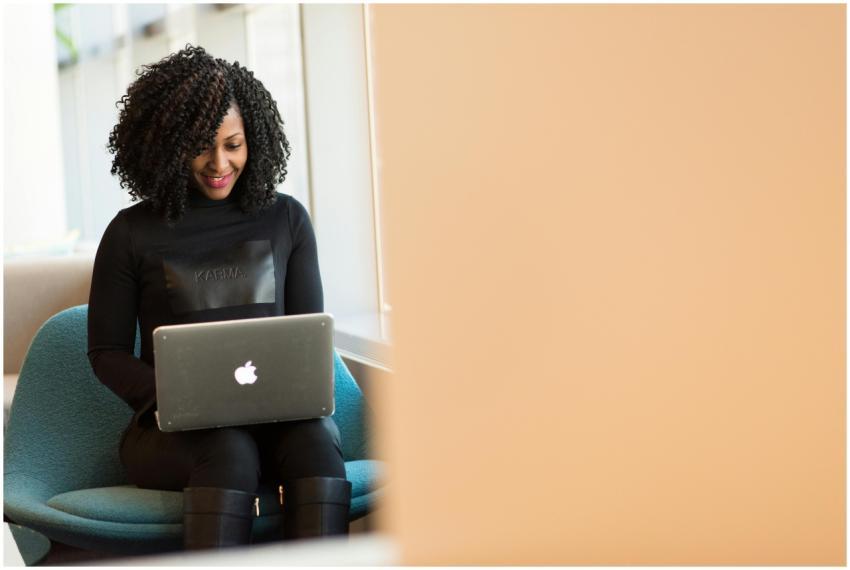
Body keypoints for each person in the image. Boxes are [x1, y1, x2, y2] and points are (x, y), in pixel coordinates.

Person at [87, 45, 351, 550]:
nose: (218, 163)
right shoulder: (129, 233)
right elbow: (107, 354)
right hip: (173, 432)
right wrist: (183, 398)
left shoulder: (287, 219)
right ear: (166, 146)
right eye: (201, 147)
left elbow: (306, 338)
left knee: (317, 444)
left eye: (234, 144)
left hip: (280, 421)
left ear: (255, 139)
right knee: (229, 448)